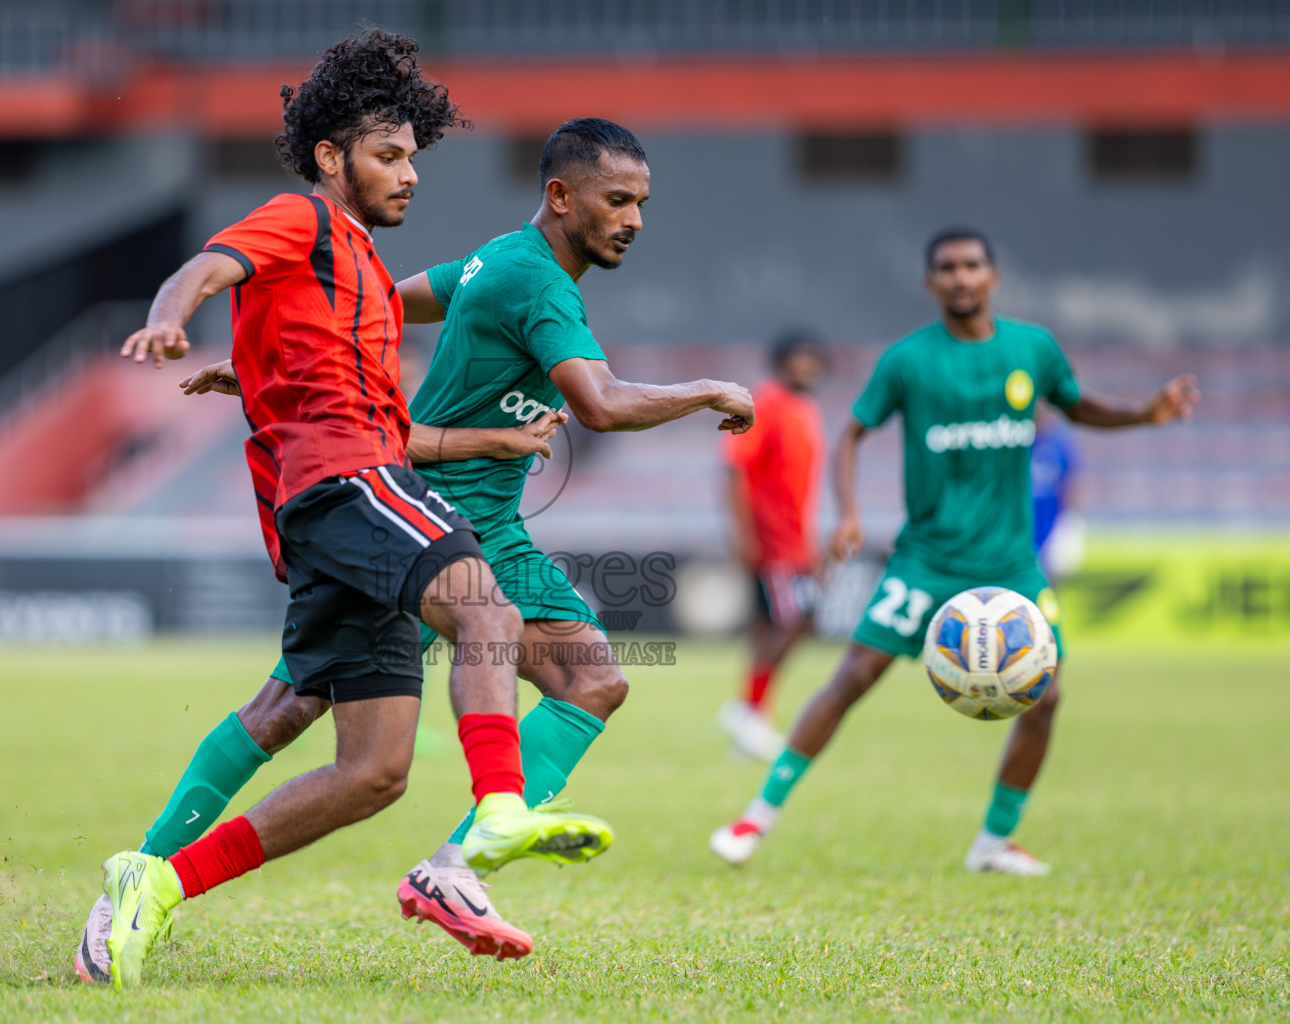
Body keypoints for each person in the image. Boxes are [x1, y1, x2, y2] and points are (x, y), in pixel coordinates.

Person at [75, 116, 755, 979]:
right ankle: (465, 856)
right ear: (560, 197)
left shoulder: (489, 261)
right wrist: (714, 390)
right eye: (617, 201)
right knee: (577, 672)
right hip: (430, 511)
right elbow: (603, 404)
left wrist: (266, 364)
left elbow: (371, 308)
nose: (634, 219)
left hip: (409, 497)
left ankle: (145, 880)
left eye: (642, 204)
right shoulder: (537, 286)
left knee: (327, 738)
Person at [709, 227, 1199, 875]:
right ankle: (754, 818)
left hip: (1011, 565)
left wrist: (1143, 414)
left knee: (1046, 697)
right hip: (926, 560)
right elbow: (853, 434)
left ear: (993, 277)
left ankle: (995, 840)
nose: (961, 277)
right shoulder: (908, 361)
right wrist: (849, 514)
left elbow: (1079, 410)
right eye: (947, 268)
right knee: (853, 675)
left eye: (972, 266)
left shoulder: (1033, 350)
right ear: (930, 282)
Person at [717, 330, 828, 761]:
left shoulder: (805, 408)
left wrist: (812, 545)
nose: (807, 366)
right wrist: (743, 536)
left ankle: (751, 714)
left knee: (773, 624)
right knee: (796, 620)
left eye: (812, 358)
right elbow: (733, 468)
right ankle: (748, 711)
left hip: (796, 542)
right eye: (799, 357)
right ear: (781, 360)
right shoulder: (766, 403)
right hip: (772, 542)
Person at [1031, 403, 1085, 580]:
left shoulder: (1057, 445)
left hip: (1050, 524)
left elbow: (1071, 486)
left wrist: (1069, 523)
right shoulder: (1017, 446)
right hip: (1023, 526)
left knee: (1051, 580)